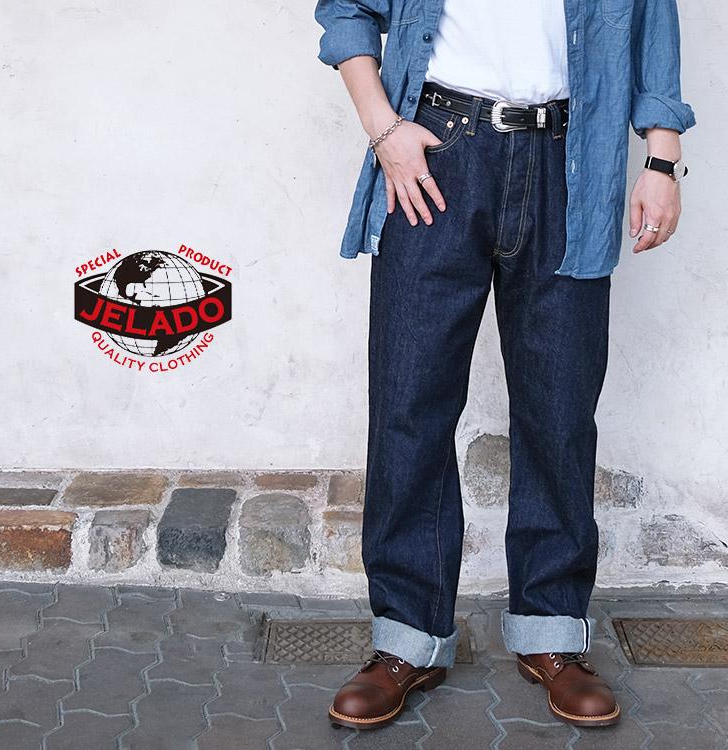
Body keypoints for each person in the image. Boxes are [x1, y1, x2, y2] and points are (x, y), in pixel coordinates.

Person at [313, 0, 696, 731]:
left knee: (559, 409)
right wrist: (384, 129)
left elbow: (654, 25)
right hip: (438, 152)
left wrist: (661, 160)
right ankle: (408, 638)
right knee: (409, 402)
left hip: (571, 161)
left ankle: (553, 632)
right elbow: (347, 10)